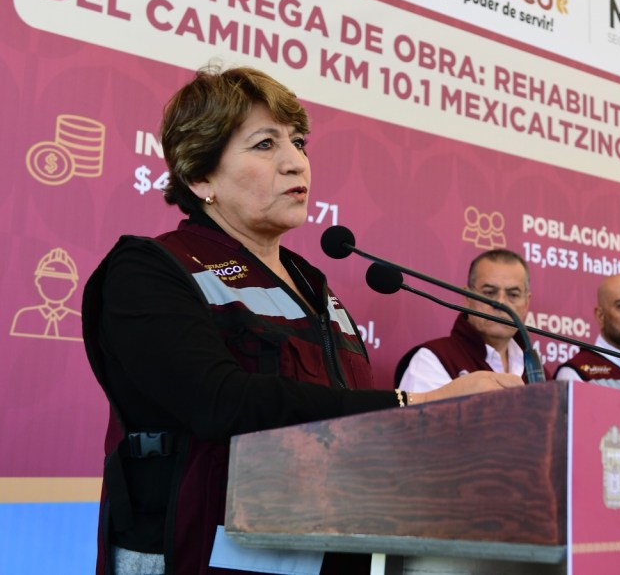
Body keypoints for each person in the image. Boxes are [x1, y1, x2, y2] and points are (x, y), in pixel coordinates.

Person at [82, 65, 522, 575]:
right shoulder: (149, 269)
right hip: (196, 554)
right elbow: (220, 402)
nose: (296, 163)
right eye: (265, 145)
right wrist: (415, 406)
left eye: (298, 142)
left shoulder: (314, 286)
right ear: (200, 176)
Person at [395, 248, 536, 390]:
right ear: (468, 297)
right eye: (489, 292)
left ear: (526, 303)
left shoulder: (536, 371)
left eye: (513, 295)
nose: (501, 303)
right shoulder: (432, 360)